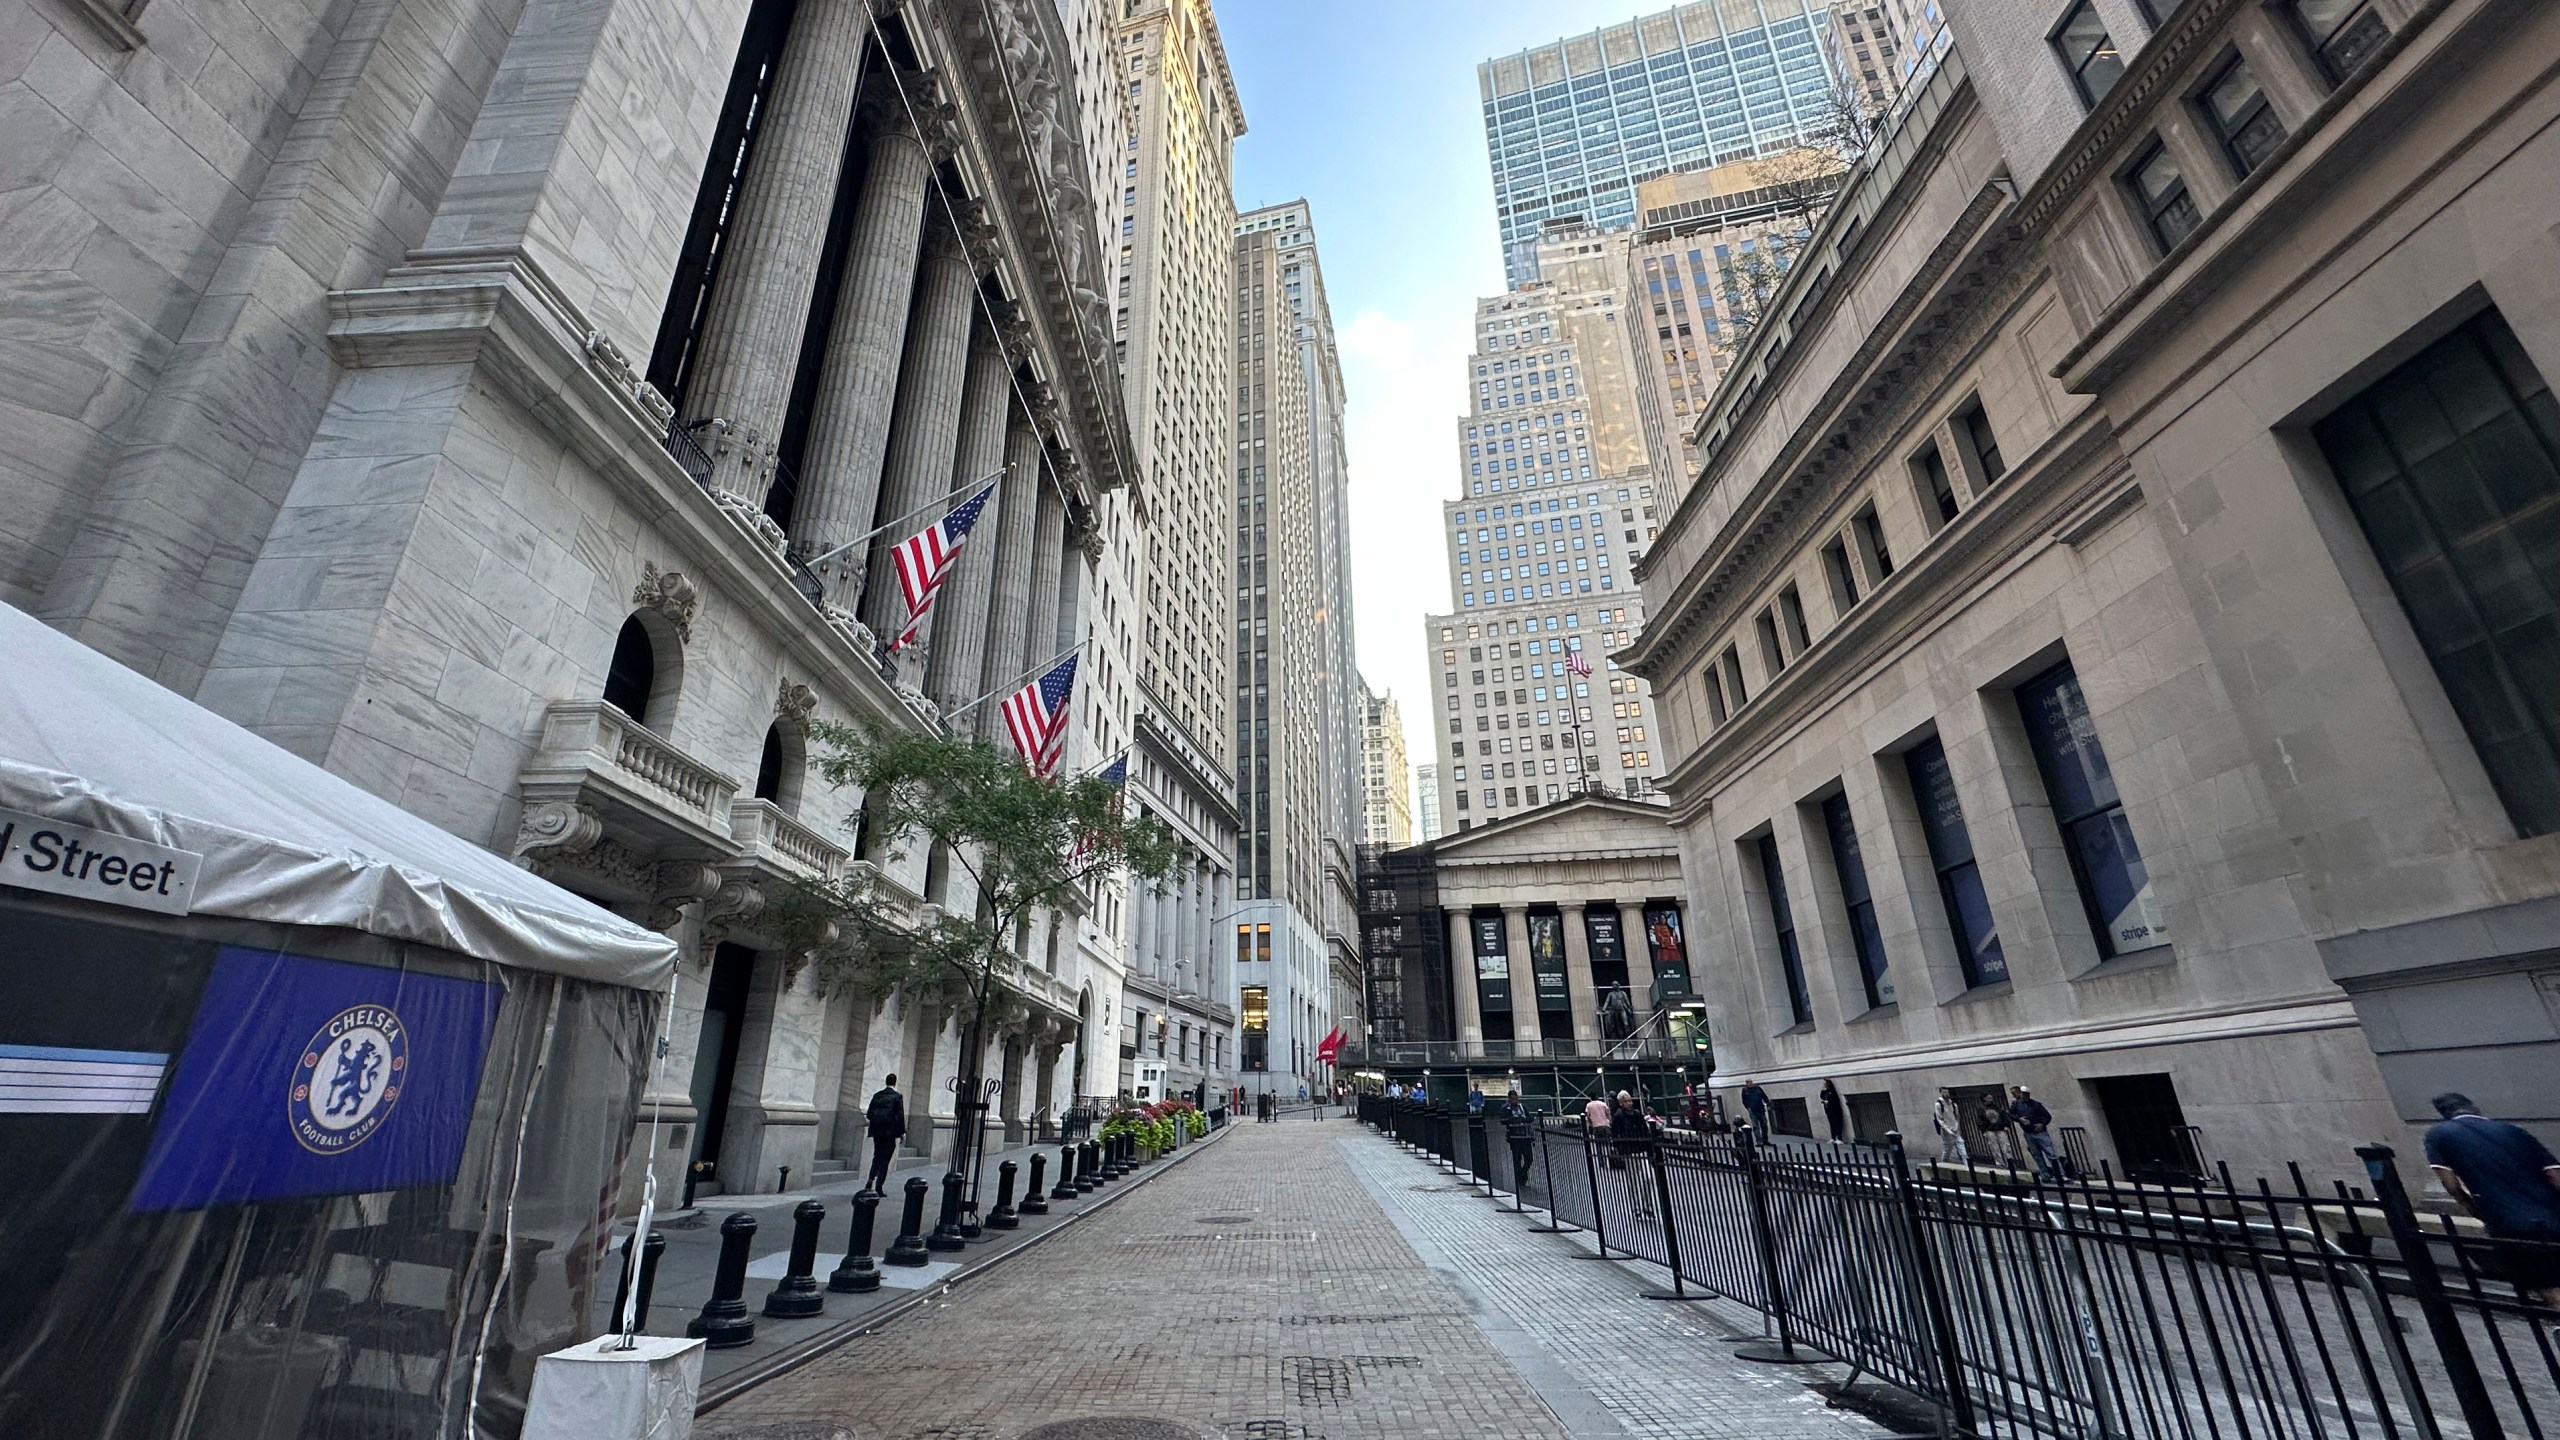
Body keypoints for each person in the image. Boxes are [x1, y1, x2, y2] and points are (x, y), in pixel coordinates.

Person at [2424, 1092, 2560, 1306]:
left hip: (2508, 1220)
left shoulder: (2439, 1135)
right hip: (2553, 1214)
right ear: (2474, 1107)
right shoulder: (2512, 1130)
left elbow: (2450, 1184)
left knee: (2546, 1284)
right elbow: (2554, 1175)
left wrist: (2472, 1207)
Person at [1609, 1090, 1658, 1217]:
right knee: (1633, 1181)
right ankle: (1637, 1207)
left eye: (1630, 1100)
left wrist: (1649, 1149)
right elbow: (1615, 1135)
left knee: (1649, 1177)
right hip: (1629, 1152)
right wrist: (1620, 1150)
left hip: (1640, 1150)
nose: (1629, 1103)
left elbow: (1645, 1131)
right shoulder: (1618, 1116)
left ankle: (1646, 1205)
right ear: (1620, 1103)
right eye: (1626, 1101)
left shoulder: (1637, 1114)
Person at [861, 1072, 906, 1194]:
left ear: (886, 1082)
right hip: (889, 1134)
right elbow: (900, 1116)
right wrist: (902, 1133)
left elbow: (869, 1114)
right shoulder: (897, 1097)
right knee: (885, 1159)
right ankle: (879, 1186)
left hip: (877, 1132)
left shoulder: (877, 1095)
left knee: (877, 1156)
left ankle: (870, 1179)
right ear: (895, 1082)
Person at [2009, 1085, 2062, 1182]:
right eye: (2023, 1094)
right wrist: (2019, 1119)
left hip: (2041, 1132)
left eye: (2026, 1094)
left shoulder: (2036, 1104)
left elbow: (2047, 1116)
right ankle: (2045, 1175)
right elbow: (2011, 1114)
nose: (2024, 1096)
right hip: (2028, 1133)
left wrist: (2042, 1124)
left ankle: (2060, 1174)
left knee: (2051, 1153)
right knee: (2037, 1155)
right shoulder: (2016, 1104)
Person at [1501, 1088, 1537, 1193]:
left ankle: (1522, 1175)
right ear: (1509, 1099)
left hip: (1525, 1136)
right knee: (1517, 1159)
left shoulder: (1522, 1107)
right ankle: (1520, 1180)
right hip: (1515, 1137)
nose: (1515, 1101)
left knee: (1529, 1158)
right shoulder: (1505, 1108)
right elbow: (1503, 1120)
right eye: (1512, 1099)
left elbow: (1529, 1117)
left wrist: (1524, 1119)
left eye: (1516, 1099)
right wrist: (1514, 1120)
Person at [1977, 1092, 2016, 1168]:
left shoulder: (1996, 1107)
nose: (1991, 1099)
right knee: (1995, 1147)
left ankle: (2009, 1162)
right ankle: (2000, 1163)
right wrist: (1983, 1130)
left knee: (2005, 1146)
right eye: (1989, 1098)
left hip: (2000, 1128)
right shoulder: (1981, 1108)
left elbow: (2003, 1115)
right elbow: (1980, 1119)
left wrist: (2006, 1125)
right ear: (1984, 1099)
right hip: (1990, 1130)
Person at [1932, 1087, 1969, 1165]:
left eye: (1947, 1092)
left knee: (1961, 1145)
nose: (1946, 1094)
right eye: (1944, 1092)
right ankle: (1944, 1162)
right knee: (1947, 1149)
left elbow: (1957, 1117)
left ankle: (1967, 1164)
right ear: (1941, 1093)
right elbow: (1939, 1119)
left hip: (1955, 1129)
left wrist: (1956, 1126)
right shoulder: (1938, 1104)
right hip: (1946, 1131)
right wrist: (1948, 1130)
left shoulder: (1953, 1104)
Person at [1820, 1078, 1847, 1144]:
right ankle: (1833, 1137)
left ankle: (1839, 1138)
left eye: (1825, 1084)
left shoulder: (1832, 1091)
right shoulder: (1827, 1091)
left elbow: (1833, 1100)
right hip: (1829, 1110)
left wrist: (1827, 1102)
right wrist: (1823, 1090)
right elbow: (1822, 1097)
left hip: (1835, 1110)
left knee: (1837, 1124)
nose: (1824, 1085)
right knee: (1832, 1124)